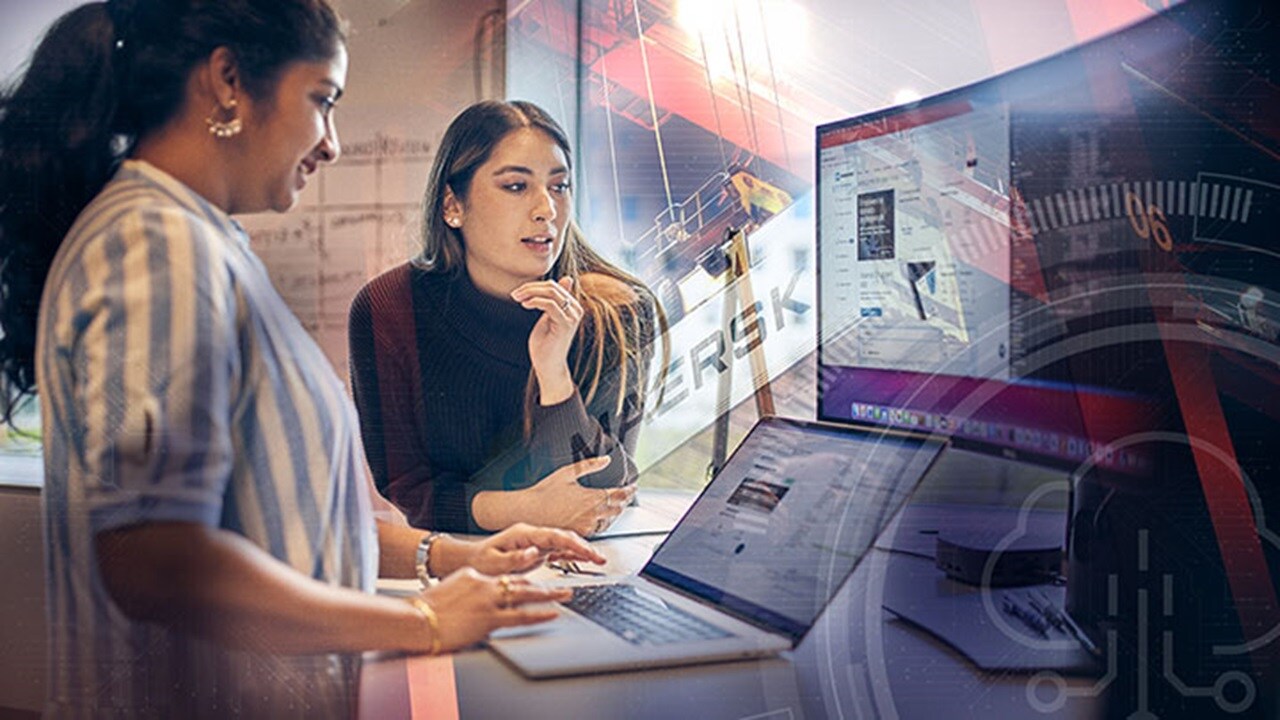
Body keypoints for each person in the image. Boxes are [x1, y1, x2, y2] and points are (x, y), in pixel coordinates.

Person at [0, 3, 605, 718]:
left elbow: (284, 516)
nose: (331, 143)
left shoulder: (199, 242)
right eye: (322, 101)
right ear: (228, 81)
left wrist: (459, 557)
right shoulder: (157, 246)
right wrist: (427, 620)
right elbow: (154, 559)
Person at [349, 100, 667, 537]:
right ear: (451, 205)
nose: (546, 210)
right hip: (455, 561)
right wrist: (528, 510)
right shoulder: (388, 307)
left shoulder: (616, 310)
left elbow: (599, 497)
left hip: (587, 564)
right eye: (517, 186)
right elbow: (409, 487)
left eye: (560, 186)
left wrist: (554, 375)